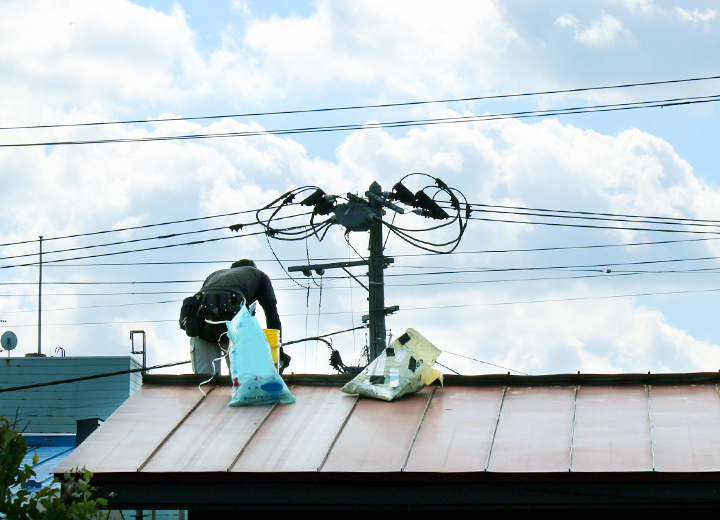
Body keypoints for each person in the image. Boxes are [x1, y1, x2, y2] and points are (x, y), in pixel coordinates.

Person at [189, 259, 290, 376]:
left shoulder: (215, 275)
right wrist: (280, 353)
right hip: (233, 323)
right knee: (240, 379)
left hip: (202, 326)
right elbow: (272, 316)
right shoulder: (259, 275)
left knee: (204, 380)